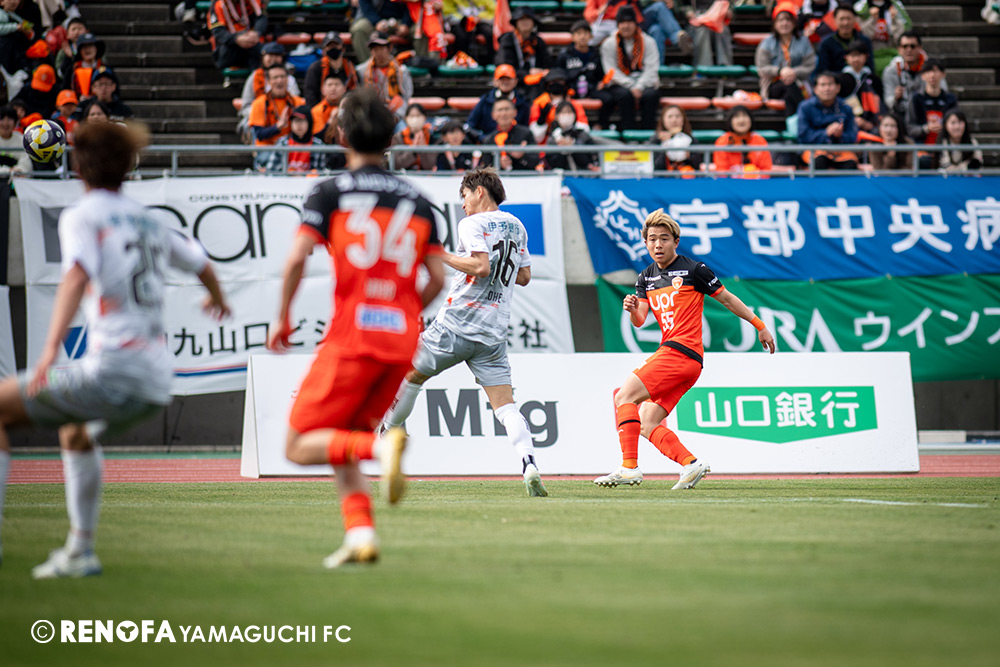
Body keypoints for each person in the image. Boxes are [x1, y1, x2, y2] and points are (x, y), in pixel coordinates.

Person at [0, 121, 230, 576]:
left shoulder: (83, 216)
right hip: (156, 379)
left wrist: (48, 351)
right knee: (75, 432)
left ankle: (77, 551)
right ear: (128, 166)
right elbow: (202, 264)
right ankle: (80, 551)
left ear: (79, 166)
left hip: (115, 368)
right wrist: (218, 300)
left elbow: (76, 277)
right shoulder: (149, 220)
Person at [266, 87, 445, 568]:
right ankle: (361, 534)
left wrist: (282, 315)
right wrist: (404, 310)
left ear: (341, 135)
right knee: (340, 438)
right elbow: (437, 279)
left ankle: (381, 447)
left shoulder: (328, 191)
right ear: (391, 139)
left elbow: (296, 258)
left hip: (352, 337)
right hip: (401, 342)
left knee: (298, 445)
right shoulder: (420, 200)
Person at [381, 167, 548, 498]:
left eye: (465, 196)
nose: (463, 204)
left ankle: (389, 433)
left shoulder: (472, 223)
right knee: (506, 406)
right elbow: (524, 276)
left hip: (456, 324)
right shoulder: (517, 225)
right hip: (493, 332)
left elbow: (481, 266)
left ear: (479, 191)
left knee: (410, 374)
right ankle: (529, 463)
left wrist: (440, 254)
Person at [594, 209, 775, 489]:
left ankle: (629, 467)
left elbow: (727, 299)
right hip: (688, 362)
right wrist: (631, 310)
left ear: (675, 242)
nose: (657, 244)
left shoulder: (694, 270)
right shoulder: (646, 277)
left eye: (664, 239)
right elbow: (640, 320)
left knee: (624, 396)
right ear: (645, 242)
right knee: (647, 422)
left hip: (680, 351)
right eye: (652, 239)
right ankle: (690, 464)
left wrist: (759, 325)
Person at [597, 6, 661, 131]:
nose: (626, 26)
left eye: (629, 22)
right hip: (620, 83)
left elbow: (652, 69)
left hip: (645, 82)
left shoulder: (649, 42)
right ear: (618, 25)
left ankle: (648, 133)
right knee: (624, 96)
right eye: (622, 22)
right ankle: (628, 133)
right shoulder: (609, 44)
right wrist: (631, 86)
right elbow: (611, 71)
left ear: (636, 24)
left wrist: (639, 87)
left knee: (651, 95)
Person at [755, 4, 815, 115]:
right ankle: (808, 114)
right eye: (780, 20)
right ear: (775, 23)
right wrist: (780, 71)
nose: (784, 23)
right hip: (773, 85)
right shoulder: (766, 43)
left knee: (789, 95)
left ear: (794, 22)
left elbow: (810, 65)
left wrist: (793, 72)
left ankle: (792, 121)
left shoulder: (804, 41)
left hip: (799, 83)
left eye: (788, 19)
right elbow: (762, 68)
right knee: (788, 85)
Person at [238, 42, 301, 142]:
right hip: (259, 116)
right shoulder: (254, 77)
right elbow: (246, 105)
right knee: (250, 125)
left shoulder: (290, 79)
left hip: (287, 117)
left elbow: (295, 102)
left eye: (277, 55)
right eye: (270, 55)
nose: (273, 59)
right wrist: (262, 113)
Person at [248, 63, 305, 170]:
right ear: (269, 81)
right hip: (268, 148)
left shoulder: (298, 102)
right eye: (275, 77)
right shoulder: (259, 103)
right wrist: (278, 126)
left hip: (293, 147)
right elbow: (259, 134)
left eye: (282, 76)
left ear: (288, 79)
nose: (279, 80)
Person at [798, 71, 859, 170]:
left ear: (838, 88)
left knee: (851, 164)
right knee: (820, 162)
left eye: (830, 84)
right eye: (823, 85)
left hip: (840, 150)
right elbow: (803, 136)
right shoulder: (805, 107)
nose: (827, 89)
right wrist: (826, 133)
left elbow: (852, 136)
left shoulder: (846, 108)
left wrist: (840, 135)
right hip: (815, 149)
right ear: (815, 89)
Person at [881, 31, 948, 116]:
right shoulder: (891, 71)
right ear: (899, 49)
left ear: (920, 48)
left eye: (912, 46)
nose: (909, 50)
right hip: (900, 114)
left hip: (927, 113)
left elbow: (943, 92)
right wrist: (895, 97)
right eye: (905, 46)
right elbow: (888, 100)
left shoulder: (931, 69)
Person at [357, 32, 413, 120]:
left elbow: (406, 97)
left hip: (395, 113)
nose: (378, 52)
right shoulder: (362, 71)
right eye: (375, 49)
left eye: (381, 48)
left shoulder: (401, 71)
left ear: (390, 48)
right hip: (371, 114)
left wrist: (397, 115)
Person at [905, 58, 956, 154]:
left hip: (945, 148)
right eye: (928, 71)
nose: (932, 75)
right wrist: (926, 129)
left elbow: (956, 123)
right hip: (921, 148)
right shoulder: (916, 98)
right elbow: (909, 127)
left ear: (943, 74)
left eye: (936, 71)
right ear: (922, 76)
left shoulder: (950, 99)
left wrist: (945, 128)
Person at [466, 63, 530, 138]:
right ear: (495, 81)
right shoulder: (485, 101)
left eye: (508, 79)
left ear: (515, 81)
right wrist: (485, 140)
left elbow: (527, 128)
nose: (505, 82)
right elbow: (470, 125)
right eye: (501, 79)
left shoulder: (523, 102)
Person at [812, 5, 873, 82]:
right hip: (835, 82)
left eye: (848, 19)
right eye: (842, 19)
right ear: (835, 20)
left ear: (855, 19)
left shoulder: (864, 40)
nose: (845, 23)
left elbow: (870, 66)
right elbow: (823, 70)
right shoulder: (826, 43)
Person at [527, 68, 588, 144]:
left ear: (566, 84)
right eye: (552, 82)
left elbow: (585, 129)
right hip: (545, 147)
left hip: (572, 144)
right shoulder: (539, 105)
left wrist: (569, 134)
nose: (556, 84)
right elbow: (535, 137)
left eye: (560, 81)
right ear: (547, 85)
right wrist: (541, 121)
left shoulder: (574, 105)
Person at [495, 6, 551, 86]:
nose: (525, 22)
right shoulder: (507, 40)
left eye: (528, 19)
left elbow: (548, 63)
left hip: (536, 81)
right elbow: (504, 64)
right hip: (513, 82)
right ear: (516, 22)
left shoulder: (538, 41)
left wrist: (543, 71)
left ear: (533, 22)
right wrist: (528, 72)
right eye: (521, 19)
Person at [479, 97, 539, 171]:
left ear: (515, 112)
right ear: (493, 115)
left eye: (507, 109)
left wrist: (522, 156)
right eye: (500, 110)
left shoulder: (526, 133)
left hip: (524, 176)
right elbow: (486, 166)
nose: (503, 114)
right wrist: (499, 164)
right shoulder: (489, 140)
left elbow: (536, 160)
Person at [206, 0, 267, 71]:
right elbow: (219, 32)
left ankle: (257, 74)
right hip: (229, 49)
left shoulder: (252, 1)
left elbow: (261, 17)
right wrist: (236, 39)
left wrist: (256, 33)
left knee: (266, 51)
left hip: (251, 42)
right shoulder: (217, 4)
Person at [713, 105, 772, 175]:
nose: (741, 120)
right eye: (736, 116)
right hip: (730, 181)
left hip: (755, 181)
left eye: (745, 116)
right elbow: (721, 172)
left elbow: (766, 170)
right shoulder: (722, 142)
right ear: (730, 121)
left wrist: (755, 175)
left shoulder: (760, 141)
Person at [838, 39, 883, 132]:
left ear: (866, 56)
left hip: (871, 120)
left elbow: (879, 101)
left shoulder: (873, 78)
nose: (856, 59)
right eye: (852, 55)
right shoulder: (840, 79)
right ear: (846, 57)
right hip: (847, 120)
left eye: (859, 55)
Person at [303, 33, 357, 107]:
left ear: (343, 49)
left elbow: (356, 90)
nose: (333, 48)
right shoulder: (315, 68)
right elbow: (310, 95)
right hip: (321, 109)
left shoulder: (351, 68)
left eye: (336, 45)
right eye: (329, 46)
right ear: (323, 51)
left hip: (346, 108)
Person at [266, 105, 325, 173]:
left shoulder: (318, 145)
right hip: (286, 179)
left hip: (309, 179)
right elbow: (271, 170)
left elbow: (322, 173)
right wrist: (288, 172)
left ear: (309, 123)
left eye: (302, 121)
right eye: (295, 121)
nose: (298, 125)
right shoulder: (282, 143)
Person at [544, 100, 600, 171]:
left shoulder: (582, 135)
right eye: (563, 112)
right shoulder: (552, 138)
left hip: (582, 174)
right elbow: (552, 163)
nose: (567, 115)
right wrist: (562, 149)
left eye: (569, 112)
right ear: (557, 116)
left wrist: (573, 145)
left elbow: (589, 160)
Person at [557, 20, 605, 104]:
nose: (582, 36)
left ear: (591, 36)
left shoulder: (596, 55)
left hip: (592, 89)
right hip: (571, 90)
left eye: (586, 33)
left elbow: (601, 75)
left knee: (608, 98)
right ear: (573, 37)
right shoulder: (565, 55)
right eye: (579, 33)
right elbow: (559, 73)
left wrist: (601, 83)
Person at [651, 104, 699, 172]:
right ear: (663, 120)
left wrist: (690, 157)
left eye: (678, 116)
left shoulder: (691, 140)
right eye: (670, 116)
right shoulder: (656, 140)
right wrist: (665, 145)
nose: (674, 120)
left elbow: (697, 166)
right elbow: (656, 167)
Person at [391, 102, 434, 170]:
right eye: (412, 116)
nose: (415, 119)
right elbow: (396, 164)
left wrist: (423, 150)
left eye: (418, 115)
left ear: (425, 117)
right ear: (406, 118)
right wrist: (413, 150)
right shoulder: (398, 137)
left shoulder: (432, 137)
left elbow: (430, 166)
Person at [0, 105, 31, 178]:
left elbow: (27, 165)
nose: (5, 123)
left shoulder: (22, 140)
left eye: (9, 119)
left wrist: (17, 171)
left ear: (15, 123)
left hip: (16, 180)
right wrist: (8, 171)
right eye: (2, 119)